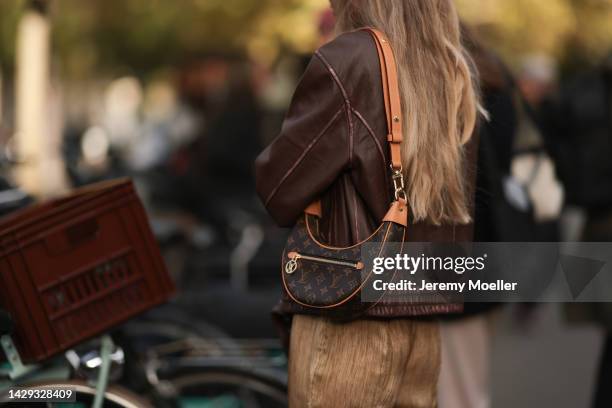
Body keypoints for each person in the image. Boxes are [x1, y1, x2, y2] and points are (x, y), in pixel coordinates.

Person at [255, 1, 483, 406]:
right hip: (422, 326)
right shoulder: (453, 69)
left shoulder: (350, 60)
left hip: (349, 321)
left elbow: (277, 189)